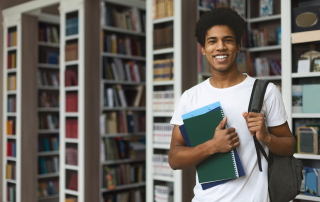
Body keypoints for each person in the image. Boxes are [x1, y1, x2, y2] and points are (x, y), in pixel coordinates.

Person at [168, 8, 296, 202]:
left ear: (238, 46)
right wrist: (212, 146)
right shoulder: (190, 97)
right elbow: (174, 159)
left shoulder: (266, 92)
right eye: (212, 41)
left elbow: (289, 146)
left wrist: (266, 137)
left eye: (227, 40)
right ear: (203, 49)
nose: (220, 47)